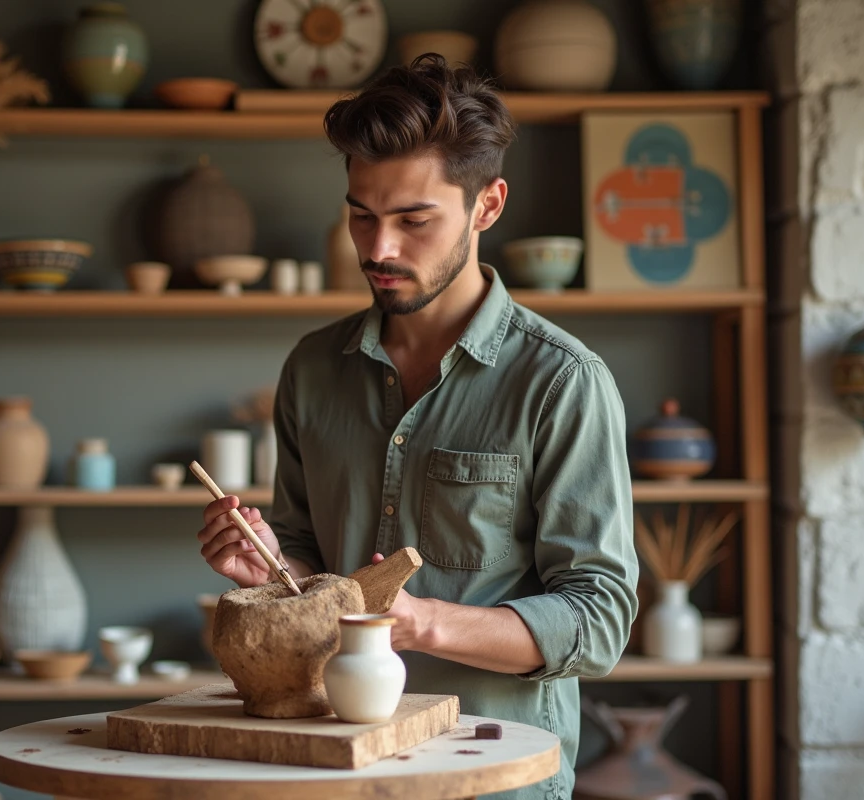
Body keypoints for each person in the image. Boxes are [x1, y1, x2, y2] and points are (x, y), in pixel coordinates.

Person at [197, 54, 638, 800]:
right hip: (334, 773)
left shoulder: (562, 381)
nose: (378, 249)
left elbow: (597, 620)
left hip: (495, 782)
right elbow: (315, 568)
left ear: (487, 206)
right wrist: (277, 568)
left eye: (413, 219)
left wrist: (423, 622)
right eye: (361, 214)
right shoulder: (313, 368)